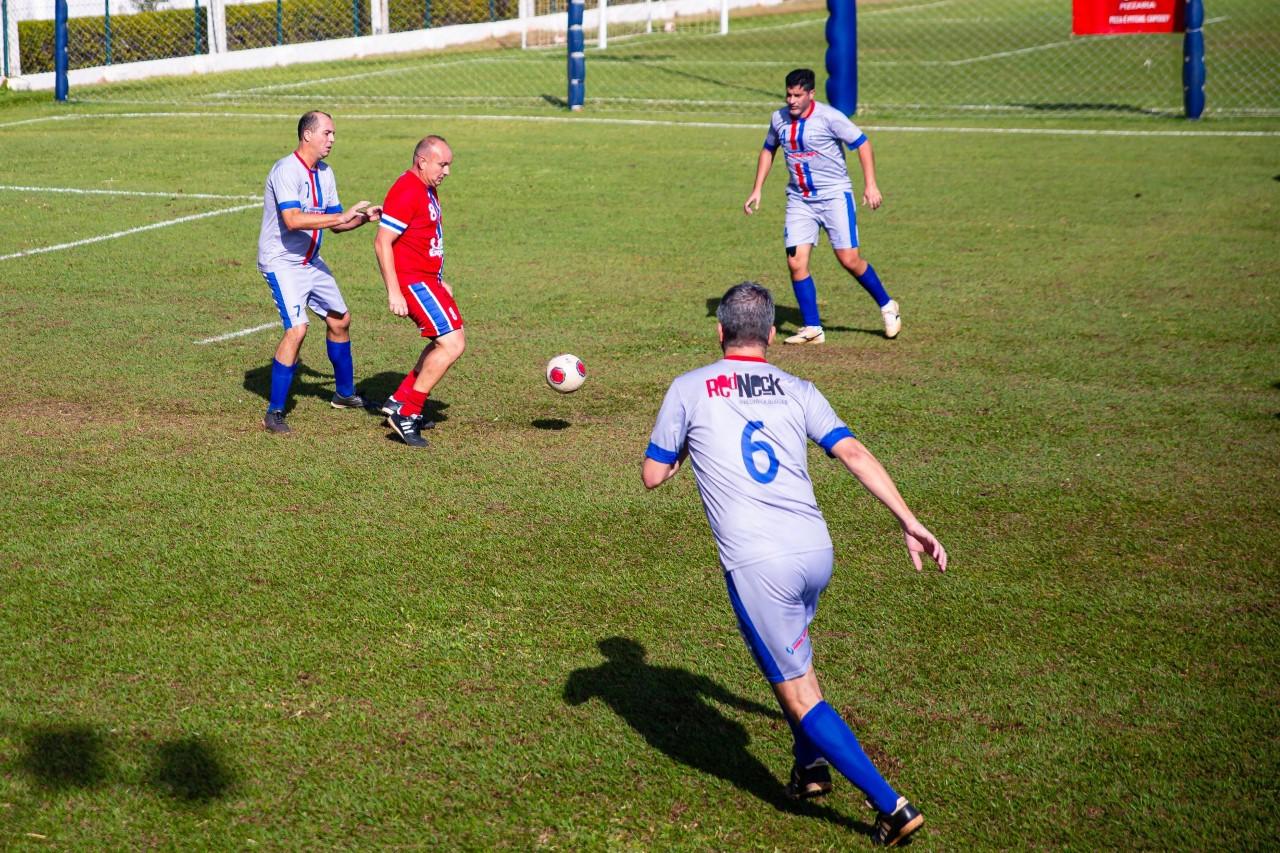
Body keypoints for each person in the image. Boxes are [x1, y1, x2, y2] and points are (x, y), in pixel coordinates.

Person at [641, 282, 946, 847]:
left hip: (759, 564)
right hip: (815, 551)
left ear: (720, 331)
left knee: (800, 693)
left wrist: (685, 450)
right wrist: (908, 518)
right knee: (797, 664)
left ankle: (893, 807)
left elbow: (653, 475)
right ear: (771, 337)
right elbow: (852, 451)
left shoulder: (688, 389)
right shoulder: (798, 387)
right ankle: (810, 772)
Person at [744, 68, 901, 344]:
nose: (791, 101)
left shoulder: (829, 118)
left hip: (834, 197)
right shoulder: (778, 119)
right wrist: (757, 188)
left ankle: (888, 305)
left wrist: (871, 184)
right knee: (795, 262)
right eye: (788, 95)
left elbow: (862, 144)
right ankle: (812, 327)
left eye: (797, 95)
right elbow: (768, 149)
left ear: (811, 94)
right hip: (799, 199)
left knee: (849, 260)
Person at [257, 110, 380, 434]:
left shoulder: (325, 173)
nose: (332, 139)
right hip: (282, 262)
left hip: (310, 260)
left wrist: (363, 218)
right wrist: (341, 218)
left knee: (340, 319)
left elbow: (337, 224)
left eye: (333, 133)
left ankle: (344, 394)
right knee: (297, 329)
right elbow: (294, 220)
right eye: (327, 133)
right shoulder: (286, 170)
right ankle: (275, 412)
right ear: (307, 135)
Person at [373, 135, 465, 449]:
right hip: (413, 282)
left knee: (444, 340)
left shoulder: (427, 188)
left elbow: (423, 238)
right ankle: (407, 414)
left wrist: (440, 279)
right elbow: (382, 242)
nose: (447, 171)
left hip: (428, 280)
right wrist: (393, 292)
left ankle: (399, 401)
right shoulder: (407, 189)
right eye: (443, 163)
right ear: (422, 161)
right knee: (453, 344)